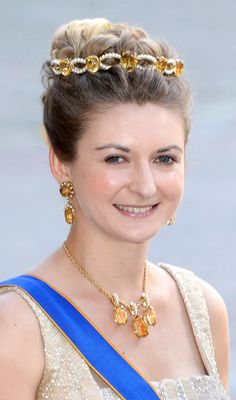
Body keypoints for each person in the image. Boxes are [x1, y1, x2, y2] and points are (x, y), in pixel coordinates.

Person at [0, 18, 231, 400]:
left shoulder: (204, 310)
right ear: (61, 163)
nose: (144, 185)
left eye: (164, 159)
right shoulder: (16, 328)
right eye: (115, 159)